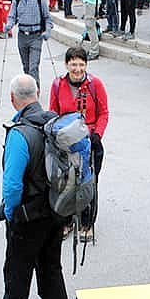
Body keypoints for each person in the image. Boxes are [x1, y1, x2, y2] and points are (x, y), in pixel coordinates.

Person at [0, 74, 70, 299]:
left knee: (17, 270)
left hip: (29, 216)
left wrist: (10, 214)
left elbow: (11, 186)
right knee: (50, 266)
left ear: (13, 99)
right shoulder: (53, 123)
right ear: (38, 93)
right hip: (56, 210)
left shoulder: (20, 133)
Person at [48, 47, 109, 240]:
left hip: (89, 142)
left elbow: (104, 113)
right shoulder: (58, 85)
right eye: (73, 64)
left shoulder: (95, 84)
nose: (77, 68)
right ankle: (65, 221)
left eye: (81, 64)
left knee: (88, 183)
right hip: (65, 145)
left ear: (86, 65)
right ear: (66, 65)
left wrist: (97, 134)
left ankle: (87, 223)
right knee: (65, 183)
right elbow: (53, 113)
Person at [5, 0, 53, 86]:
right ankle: (29, 87)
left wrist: (47, 31)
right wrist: (9, 25)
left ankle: (35, 89)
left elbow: (47, 18)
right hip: (22, 36)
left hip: (36, 36)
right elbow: (12, 16)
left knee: (33, 66)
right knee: (26, 66)